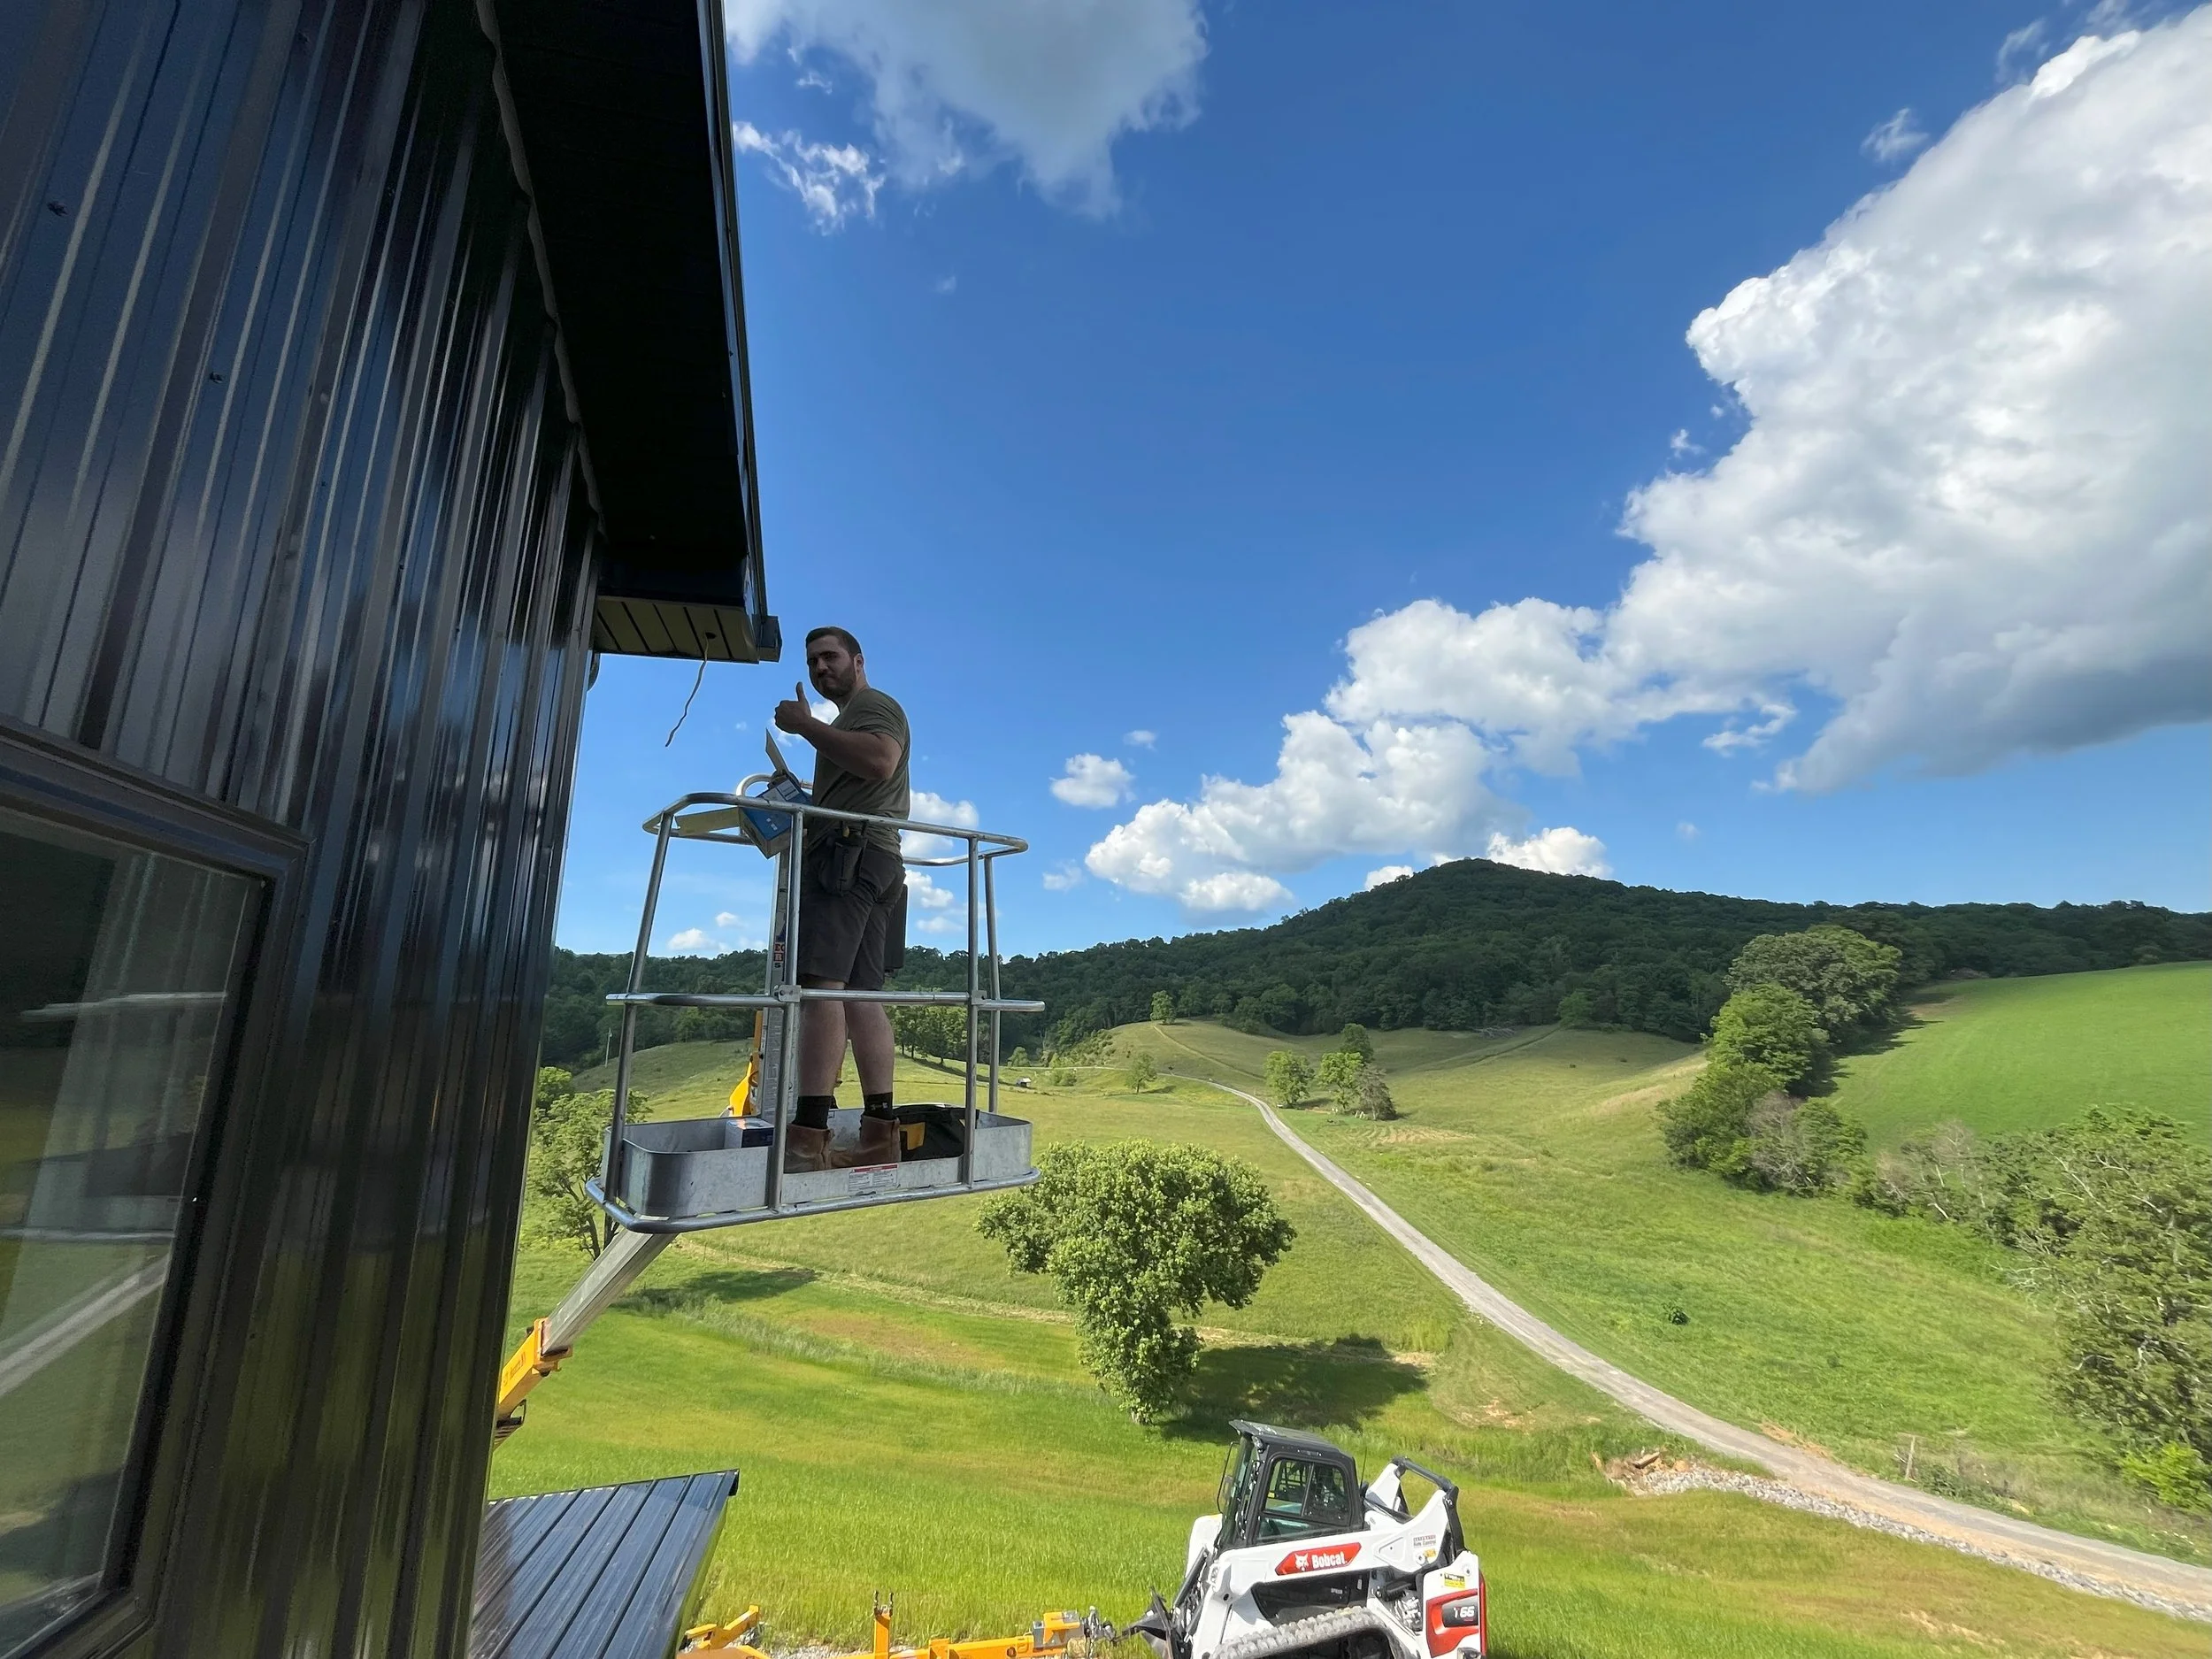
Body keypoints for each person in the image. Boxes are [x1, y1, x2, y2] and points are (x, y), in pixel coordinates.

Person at [772, 626, 910, 1171]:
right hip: (873, 856)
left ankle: (807, 1136)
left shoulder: (874, 705)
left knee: (822, 989)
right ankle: (880, 1133)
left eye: (830, 657)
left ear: (858, 659)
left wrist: (806, 727)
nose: (820, 667)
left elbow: (880, 761)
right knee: (861, 993)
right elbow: (866, 775)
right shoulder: (849, 718)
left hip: (847, 859)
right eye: (812, 661)